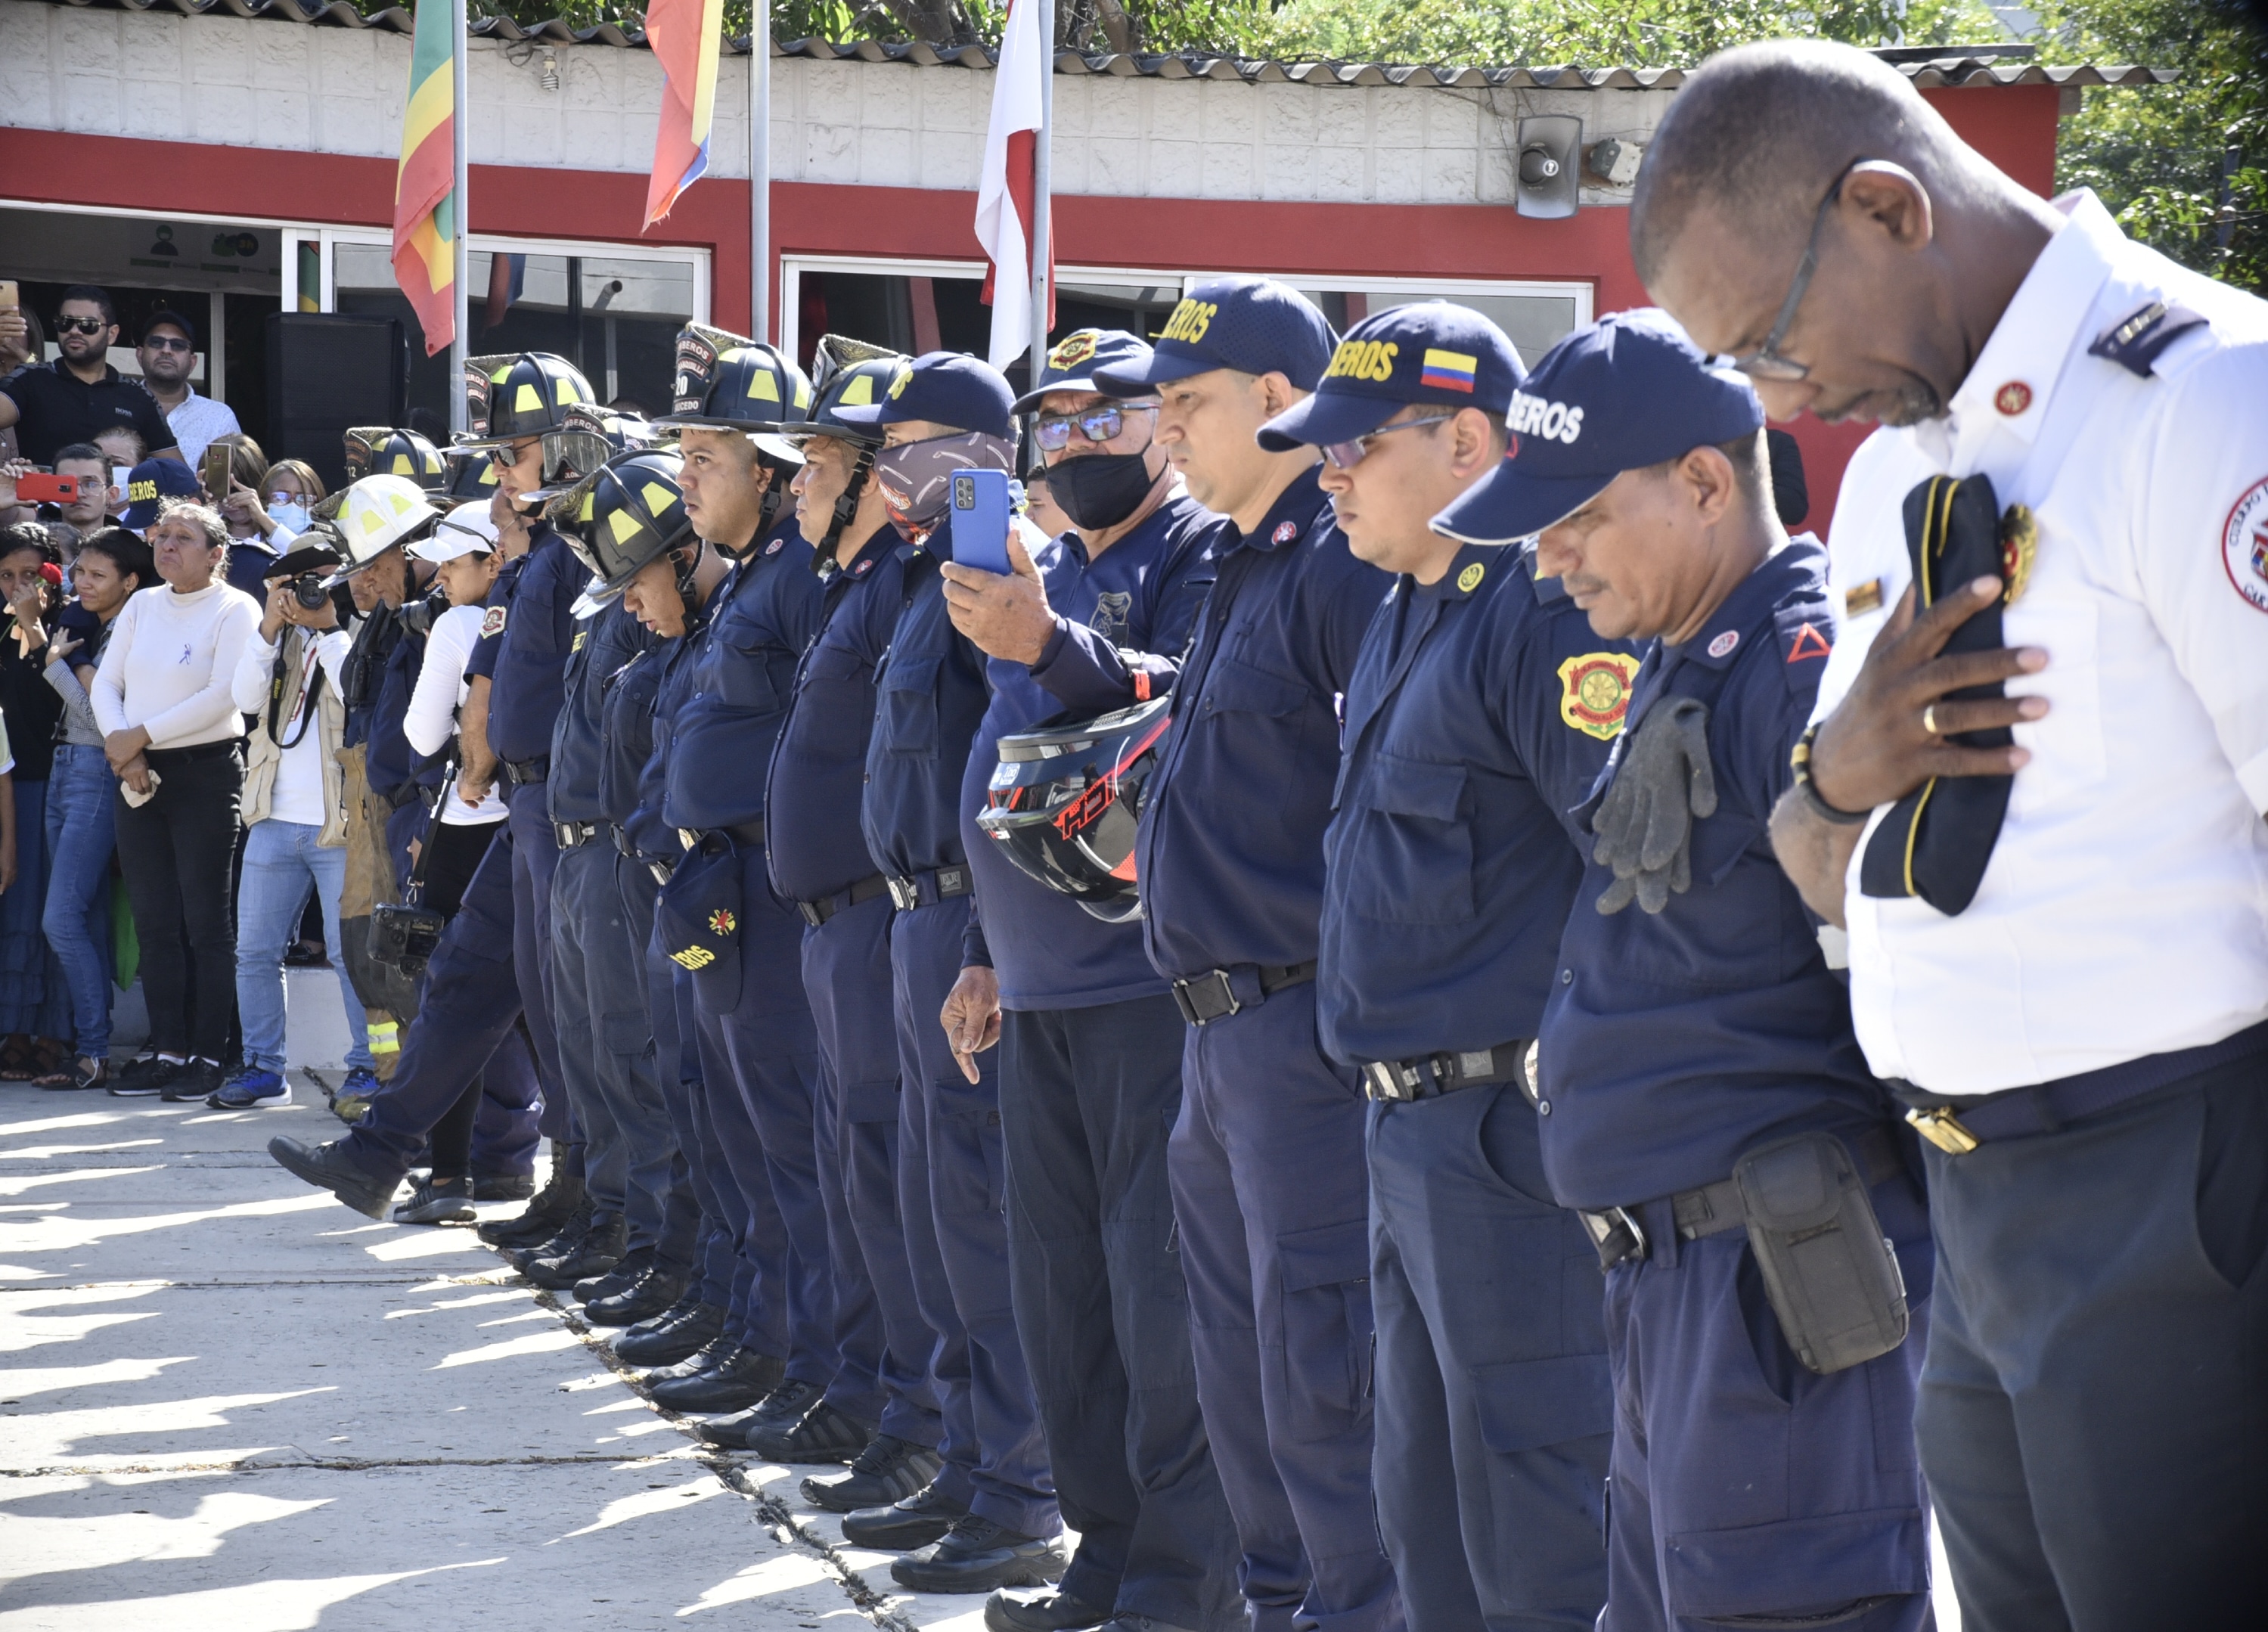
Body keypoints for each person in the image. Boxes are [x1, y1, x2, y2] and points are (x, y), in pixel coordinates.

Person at [1632, 40, 2268, 1626]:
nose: (1780, 403)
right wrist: (1831, 780)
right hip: (1961, 1197)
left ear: (1882, 207)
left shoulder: (2199, 400)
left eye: (1769, 345)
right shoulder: (1888, 475)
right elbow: (1811, 858)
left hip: (2168, 1193)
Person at [1430, 309, 1934, 1632]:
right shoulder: (1682, 657)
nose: (1549, 560)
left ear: (1705, 482)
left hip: (1776, 1299)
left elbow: (1898, 971)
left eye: (1576, 519)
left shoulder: (1804, 664)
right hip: (1678, 1288)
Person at [1276, 304, 1629, 1629]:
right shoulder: (1397, 609)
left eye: (1353, 447)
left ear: (1466, 438)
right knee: (1421, 1504)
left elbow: (1623, 874)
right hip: (1401, 1125)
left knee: (1534, 1512)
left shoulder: (1537, 616)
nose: (1329, 475)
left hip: (1503, 1134)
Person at [1093, 279, 1403, 1632]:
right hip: (1215, 1037)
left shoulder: (1336, 564)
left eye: (1187, 404)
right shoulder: (1241, 562)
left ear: (1281, 403)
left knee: (1326, 1379)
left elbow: (1379, 804)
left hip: (1301, 1037)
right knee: (1243, 1385)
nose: (1163, 433)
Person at [937, 327, 1246, 1632]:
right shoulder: (1043, 563)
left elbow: (1163, 725)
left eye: (1096, 419)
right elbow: (1003, 770)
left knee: (1157, 1299)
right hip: (1038, 990)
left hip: (1146, 990)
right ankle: (1106, 1562)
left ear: (1161, 427)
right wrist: (979, 950)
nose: (1069, 446)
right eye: (1046, 426)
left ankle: (1183, 1588)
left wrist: (1046, 634)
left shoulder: (1200, 561)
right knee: (1064, 1305)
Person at [826, 350, 1070, 1593]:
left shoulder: (993, 551)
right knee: (937, 1222)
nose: (888, 466)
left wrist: (987, 941)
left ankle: (1019, 1491)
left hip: (971, 922)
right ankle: (971, 1467)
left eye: (913, 442)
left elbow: (1025, 750)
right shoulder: (927, 569)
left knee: (983, 1219)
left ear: (978, 451)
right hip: (910, 919)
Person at [622, 330, 831, 1417]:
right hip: (713, 889)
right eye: (686, 455)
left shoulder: (797, 579)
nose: (685, 477)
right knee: (737, 1138)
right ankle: (759, 1336)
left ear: (769, 470)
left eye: (706, 457)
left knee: (792, 1148)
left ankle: (807, 1364)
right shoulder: (750, 575)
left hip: (771, 896)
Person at [759, 340, 948, 1478]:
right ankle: (877, 1398)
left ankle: (922, 1424)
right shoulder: (862, 589)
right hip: (836, 924)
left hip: (888, 918)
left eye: (816, 464)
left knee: (896, 1189)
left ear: (881, 476)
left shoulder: (919, 588)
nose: (796, 484)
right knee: (853, 1182)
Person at [214, 485, 425, 1112]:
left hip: (340, 822)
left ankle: (365, 1066)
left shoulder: (366, 632)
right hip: (274, 816)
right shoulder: (278, 635)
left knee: (349, 953)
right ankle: (261, 1066)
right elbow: (246, 701)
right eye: (297, 584)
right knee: (253, 950)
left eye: (321, 580)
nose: (311, 593)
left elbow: (357, 691)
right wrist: (270, 628)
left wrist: (327, 629)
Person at [383, 503, 529, 1223]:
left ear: (493, 562)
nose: (438, 576)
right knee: (538, 1009)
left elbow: (418, 729)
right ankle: (518, 1165)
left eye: (454, 562)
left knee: (453, 1007)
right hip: (534, 825)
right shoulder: (550, 610)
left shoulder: (458, 625)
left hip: (467, 824)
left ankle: (449, 1178)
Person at [90, 499, 262, 1102]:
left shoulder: (235, 607)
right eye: (163, 536)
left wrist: (140, 736)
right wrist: (125, 750)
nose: (167, 546)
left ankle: (210, 1054)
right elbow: (108, 682)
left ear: (216, 555)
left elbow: (224, 696)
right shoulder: (141, 604)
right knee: (156, 921)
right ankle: (166, 1048)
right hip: (136, 774)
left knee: (206, 925)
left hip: (204, 775)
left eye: (183, 538)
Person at [32, 527, 150, 1091]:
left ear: (131, 582)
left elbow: (104, 721)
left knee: (61, 918)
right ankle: (92, 1050)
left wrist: (57, 662)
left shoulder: (131, 633)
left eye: (97, 575)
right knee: (89, 915)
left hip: (95, 777)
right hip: (66, 772)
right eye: (79, 572)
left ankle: (94, 1050)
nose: (82, 583)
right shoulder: (94, 626)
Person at [0, 526, 74, 1082]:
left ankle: (57, 1031)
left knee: (61, 912)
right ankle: (17, 1029)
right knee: (21, 909)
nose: (18, 586)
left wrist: (34, 627)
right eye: (7, 576)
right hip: (12, 785)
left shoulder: (74, 628)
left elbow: (60, 699)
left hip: (63, 783)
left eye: (30, 575)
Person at [0, 286, 180, 468]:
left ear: (112, 334)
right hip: (42, 496)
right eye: (66, 323)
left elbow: (177, 474)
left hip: (115, 497)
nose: (75, 331)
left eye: (88, 325)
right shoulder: (31, 379)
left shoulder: (139, 396)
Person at [135, 310, 240, 466]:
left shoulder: (219, 418)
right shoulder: (117, 405)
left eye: (178, 345)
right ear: (140, 354)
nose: (166, 350)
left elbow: (233, 480)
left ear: (192, 362)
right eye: (156, 342)